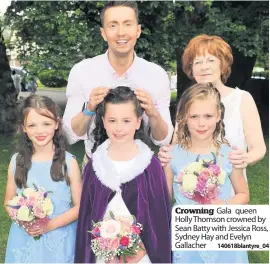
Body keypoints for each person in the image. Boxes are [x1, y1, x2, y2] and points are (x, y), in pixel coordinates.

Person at [63, 1, 174, 171]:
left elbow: (163, 139)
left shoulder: (156, 75)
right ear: (103, 33)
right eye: (113, 25)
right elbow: (70, 135)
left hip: (141, 169)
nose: (121, 32)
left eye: (127, 24)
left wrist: (152, 112)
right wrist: (89, 108)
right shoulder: (82, 72)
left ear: (138, 30)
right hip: (95, 170)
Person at [74, 86, 171, 263]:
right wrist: (105, 250)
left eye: (126, 121)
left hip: (142, 255)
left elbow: (159, 219)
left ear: (138, 121)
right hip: (104, 256)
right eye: (112, 120)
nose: (119, 128)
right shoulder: (95, 167)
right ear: (103, 121)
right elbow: (87, 218)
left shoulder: (151, 166)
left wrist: (139, 253)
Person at [159, 34, 266, 193]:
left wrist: (241, 160)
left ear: (222, 65)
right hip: (193, 196)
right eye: (198, 62)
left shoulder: (242, 99)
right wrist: (166, 153)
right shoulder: (187, 102)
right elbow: (176, 145)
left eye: (210, 60)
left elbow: (258, 149)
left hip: (233, 195)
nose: (204, 67)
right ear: (191, 68)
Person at [163, 82, 249, 263]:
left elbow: (243, 194)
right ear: (184, 118)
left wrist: (224, 206)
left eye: (208, 116)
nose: (201, 123)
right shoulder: (171, 155)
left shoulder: (229, 154)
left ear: (218, 116)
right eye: (194, 116)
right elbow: (164, 199)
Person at [4, 95, 82, 263]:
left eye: (46, 123)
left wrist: (49, 226)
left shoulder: (69, 162)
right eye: (32, 125)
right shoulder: (16, 161)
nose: (40, 131)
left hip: (60, 239)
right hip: (24, 238)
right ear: (23, 128)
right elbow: (8, 201)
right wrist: (22, 218)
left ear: (56, 124)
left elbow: (79, 207)